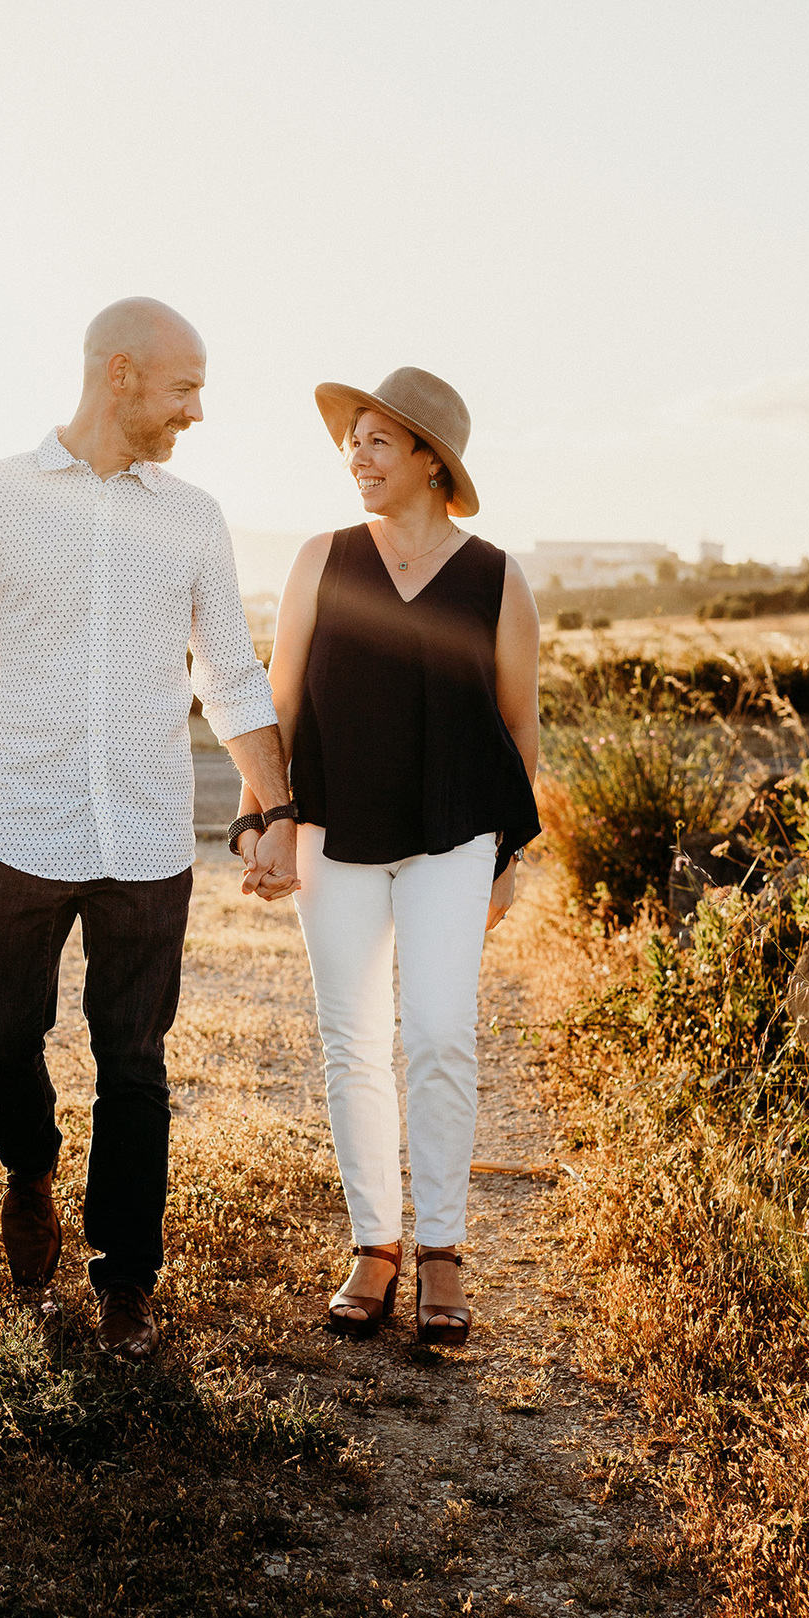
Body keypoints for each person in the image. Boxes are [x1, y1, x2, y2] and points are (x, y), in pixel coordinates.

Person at [0, 297, 297, 1359]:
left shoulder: (194, 518)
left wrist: (274, 808)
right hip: (21, 828)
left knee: (135, 1063)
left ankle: (126, 1282)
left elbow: (232, 673)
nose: (197, 411)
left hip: (150, 840)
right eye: (185, 388)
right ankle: (30, 1169)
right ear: (120, 372)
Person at [232, 367, 540, 1345]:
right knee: (353, 1041)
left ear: (429, 460)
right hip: (334, 830)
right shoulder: (321, 559)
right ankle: (376, 1244)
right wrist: (262, 816)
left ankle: (442, 1248)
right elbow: (278, 699)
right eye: (350, 442)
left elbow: (519, 725)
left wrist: (508, 853)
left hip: (457, 833)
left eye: (376, 441)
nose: (355, 459)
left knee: (442, 1034)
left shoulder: (497, 577)